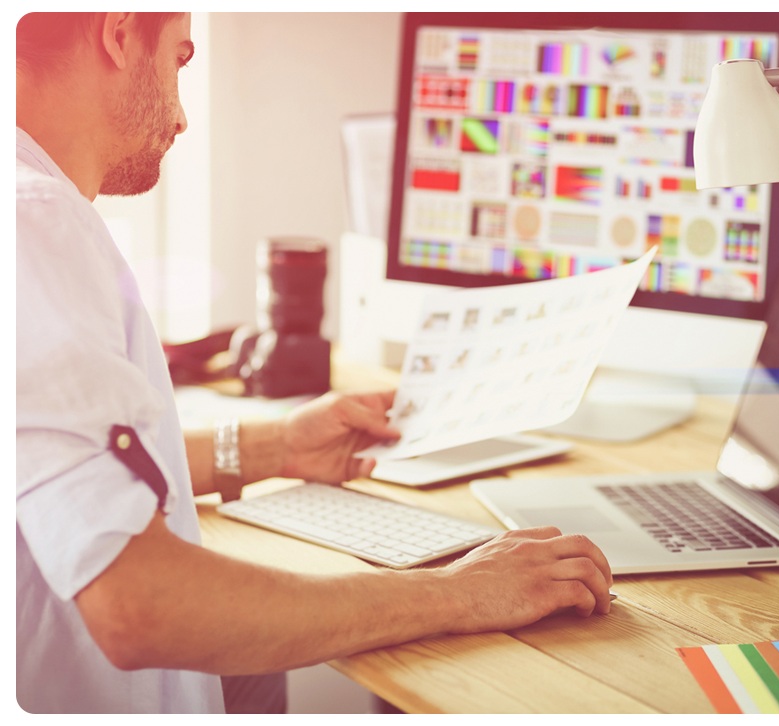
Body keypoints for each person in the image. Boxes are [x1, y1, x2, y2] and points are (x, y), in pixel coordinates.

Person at [14, 10, 614, 716]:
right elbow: (137, 606)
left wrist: (276, 445)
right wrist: (462, 591)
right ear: (118, 32)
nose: (182, 117)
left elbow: (54, 468)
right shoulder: (35, 225)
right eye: (179, 60)